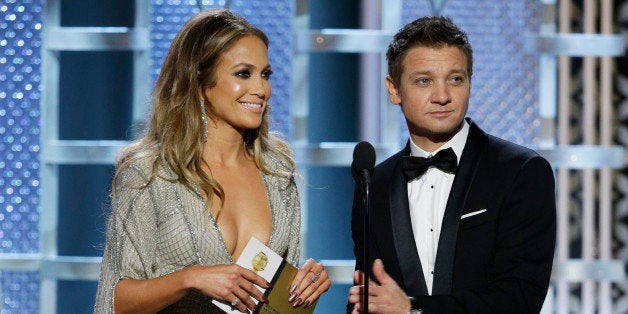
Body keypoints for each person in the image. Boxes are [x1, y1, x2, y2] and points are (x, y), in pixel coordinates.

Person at [94, 9, 330, 313]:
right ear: (199, 81)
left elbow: (275, 302)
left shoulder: (277, 173)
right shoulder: (150, 175)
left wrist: (303, 286)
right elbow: (115, 300)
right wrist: (189, 279)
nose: (261, 89)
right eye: (243, 74)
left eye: (265, 74)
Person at [347, 16, 556, 313]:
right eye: (424, 81)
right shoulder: (374, 185)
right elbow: (367, 297)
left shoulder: (520, 172)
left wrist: (414, 309)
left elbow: (520, 296)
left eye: (455, 79)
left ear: (470, 83)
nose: (443, 96)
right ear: (393, 90)